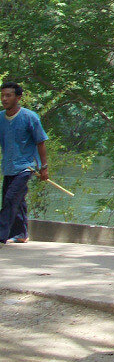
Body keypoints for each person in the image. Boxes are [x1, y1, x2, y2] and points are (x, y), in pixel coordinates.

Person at [0, 82, 48, 244]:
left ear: (18, 97)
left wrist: (44, 167)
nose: (4, 99)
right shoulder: (1, 118)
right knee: (17, 200)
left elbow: (40, 142)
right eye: (2, 95)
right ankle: (21, 233)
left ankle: (1, 235)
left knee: (10, 199)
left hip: (25, 167)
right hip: (8, 167)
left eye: (8, 95)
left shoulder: (30, 117)